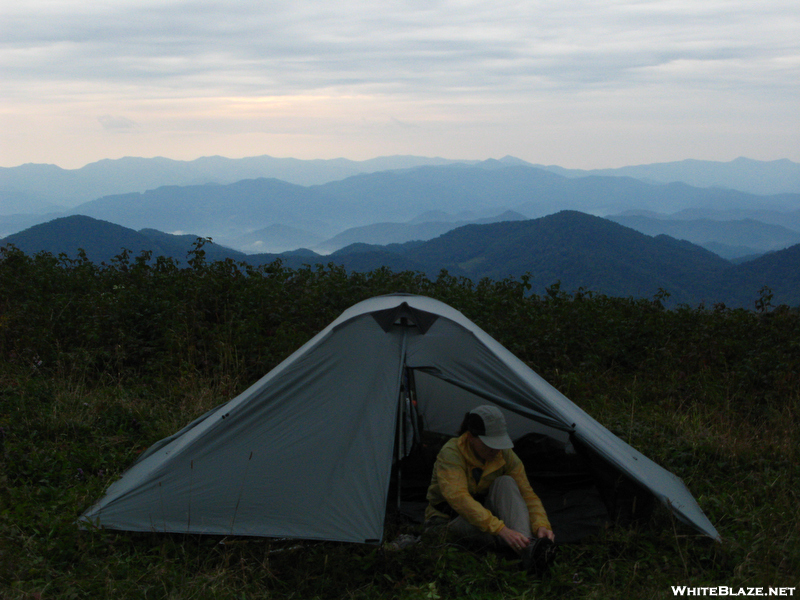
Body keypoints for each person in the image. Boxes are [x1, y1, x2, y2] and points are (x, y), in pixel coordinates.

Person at [425, 405, 555, 571]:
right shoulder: (451, 453)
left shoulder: (504, 454)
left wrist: (542, 526)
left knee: (506, 482)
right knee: (487, 532)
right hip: (448, 521)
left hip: (486, 516)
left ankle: (527, 547)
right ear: (471, 437)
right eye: (489, 444)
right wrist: (501, 529)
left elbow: (527, 494)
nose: (495, 449)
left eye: (499, 443)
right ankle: (526, 552)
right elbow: (459, 499)